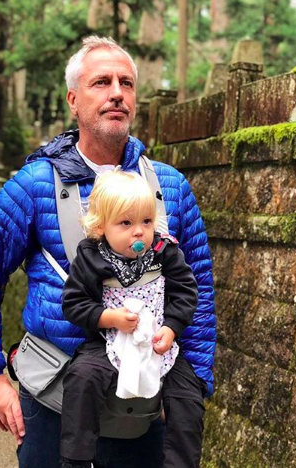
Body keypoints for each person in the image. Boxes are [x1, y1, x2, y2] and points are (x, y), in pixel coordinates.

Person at [0, 35, 216, 468]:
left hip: (146, 400)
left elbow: (198, 288)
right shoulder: (35, 185)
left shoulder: (170, 187)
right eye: (101, 82)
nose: (116, 93)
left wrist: (195, 383)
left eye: (126, 83)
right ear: (73, 100)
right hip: (53, 398)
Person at [60, 170, 205, 468]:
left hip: (157, 341)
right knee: (82, 378)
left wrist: (171, 328)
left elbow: (186, 292)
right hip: (108, 340)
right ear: (101, 227)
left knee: (187, 395)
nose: (139, 232)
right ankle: (76, 459)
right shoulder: (91, 256)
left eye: (146, 222)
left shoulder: (164, 252)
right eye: (126, 223)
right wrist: (108, 318)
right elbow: (73, 303)